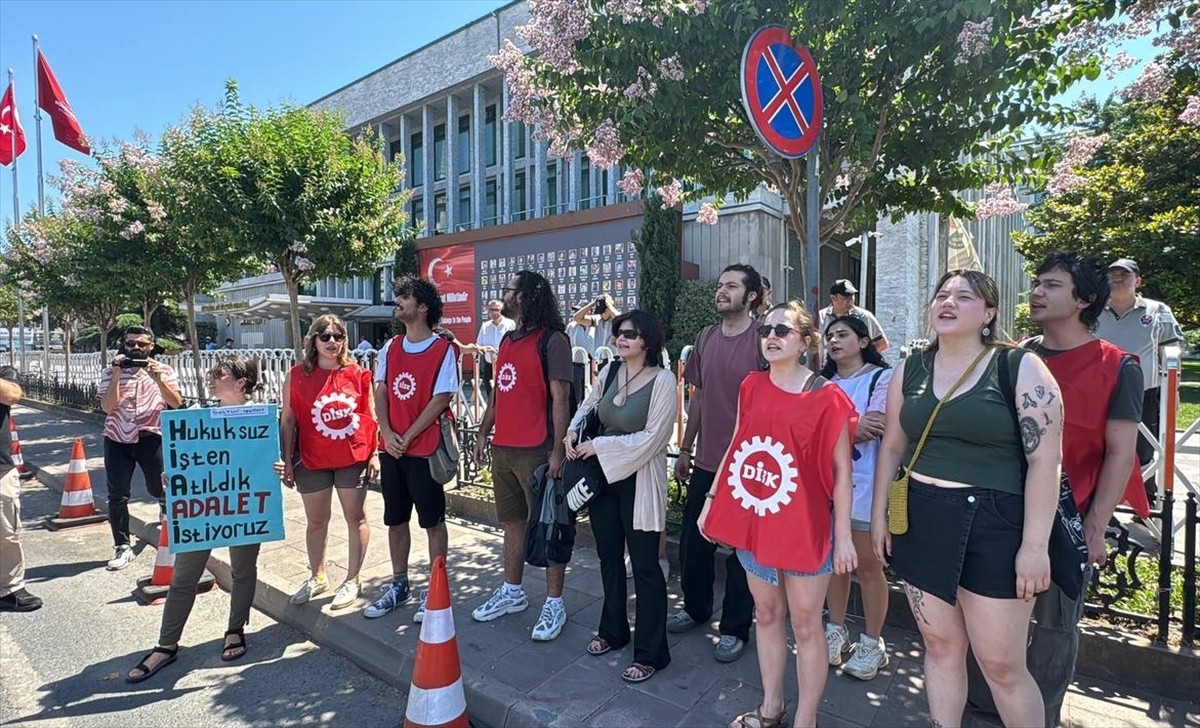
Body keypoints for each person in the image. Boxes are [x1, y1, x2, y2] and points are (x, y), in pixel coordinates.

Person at [872, 270, 1062, 728]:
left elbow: (1045, 461)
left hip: (996, 524)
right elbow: (893, 446)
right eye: (941, 295)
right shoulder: (910, 369)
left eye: (964, 296)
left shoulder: (1018, 366)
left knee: (1001, 665)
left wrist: (1035, 546)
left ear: (989, 312)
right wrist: (879, 515)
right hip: (922, 517)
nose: (948, 302)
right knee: (940, 646)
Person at [967, 252, 1148, 726]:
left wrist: (1096, 526)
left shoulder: (1118, 366)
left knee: (1053, 633)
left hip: (1067, 521)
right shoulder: (1013, 357)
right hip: (999, 516)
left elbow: (1121, 452)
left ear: (1084, 299)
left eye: (1051, 285)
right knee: (986, 630)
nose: (1036, 293)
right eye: (1037, 283)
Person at [698, 301, 858, 728]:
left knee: (806, 626)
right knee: (767, 615)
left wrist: (844, 536)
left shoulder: (828, 397)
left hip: (806, 529)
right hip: (757, 522)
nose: (770, 336)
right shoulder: (751, 385)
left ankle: (807, 719)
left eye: (782, 330)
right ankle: (771, 708)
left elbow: (843, 472)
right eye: (765, 330)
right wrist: (712, 498)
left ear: (805, 342)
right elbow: (736, 444)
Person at [126, 356, 282, 683]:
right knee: (184, 575)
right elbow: (187, 460)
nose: (210, 377)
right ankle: (166, 645)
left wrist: (278, 468)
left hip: (244, 507)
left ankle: (235, 630)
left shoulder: (261, 418)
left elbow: (273, 459)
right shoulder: (198, 418)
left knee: (243, 570)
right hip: (203, 510)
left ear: (241, 382)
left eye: (218, 373)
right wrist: (174, 474)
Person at [565, 310, 677, 683]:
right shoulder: (610, 371)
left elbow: (655, 438)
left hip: (639, 479)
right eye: (619, 333)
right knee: (609, 557)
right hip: (602, 478)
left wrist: (600, 446)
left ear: (648, 340)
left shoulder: (663, 380)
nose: (621, 339)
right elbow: (589, 406)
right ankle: (613, 631)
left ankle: (651, 652)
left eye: (630, 333)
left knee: (645, 566)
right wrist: (573, 433)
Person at [471, 270, 573, 641]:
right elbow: (499, 392)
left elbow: (561, 399)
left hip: (537, 450)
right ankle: (512, 592)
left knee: (547, 527)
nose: (504, 296)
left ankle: (554, 603)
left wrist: (558, 452)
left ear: (529, 296)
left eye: (510, 290)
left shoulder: (553, 340)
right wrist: (483, 433)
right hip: (505, 449)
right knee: (512, 523)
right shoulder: (507, 340)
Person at [671, 263, 765, 664]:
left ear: (752, 295)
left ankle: (735, 628)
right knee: (694, 542)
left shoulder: (764, 339)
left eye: (732, 285)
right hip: (708, 460)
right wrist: (685, 448)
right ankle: (696, 608)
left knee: (743, 551)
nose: (721, 290)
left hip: (749, 465)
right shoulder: (705, 337)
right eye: (720, 285)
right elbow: (699, 397)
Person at [366, 277, 459, 623]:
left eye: (404, 297)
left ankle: (436, 588)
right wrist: (387, 432)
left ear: (422, 307)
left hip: (425, 449)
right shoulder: (391, 347)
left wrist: (407, 435)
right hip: (392, 448)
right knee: (395, 519)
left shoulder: (442, 350)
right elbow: (380, 391)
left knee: (433, 521)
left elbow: (441, 398)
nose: (397, 302)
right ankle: (399, 583)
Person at [280, 315, 379, 611]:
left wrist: (375, 454)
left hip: (352, 457)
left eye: (338, 336)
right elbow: (288, 420)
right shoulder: (296, 375)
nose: (332, 341)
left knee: (355, 518)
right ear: (314, 339)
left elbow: (370, 416)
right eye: (325, 336)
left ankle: (352, 579)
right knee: (316, 521)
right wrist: (287, 460)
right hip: (311, 460)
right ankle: (317, 576)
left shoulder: (358, 374)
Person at [820, 314, 893, 680]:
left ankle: (872, 643)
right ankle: (835, 631)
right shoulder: (821, 384)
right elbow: (819, 431)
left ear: (864, 341)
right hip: (828, 488)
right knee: (835, 563)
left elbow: (873, 427)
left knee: (868, 566)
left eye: (842, 334)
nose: (833, 341)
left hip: (867, 487)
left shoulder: (882, 379)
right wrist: (851, 426)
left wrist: (837, 429)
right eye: (829, 336)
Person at [1094, 258, 1184, 505]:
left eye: (1124, 274)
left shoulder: (1158, 311)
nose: (1118, 278)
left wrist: (1174, 389)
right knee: (1099, 448)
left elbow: (1170, 351)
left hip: (1144, 392)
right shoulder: (1093, 309)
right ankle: (1102, 503)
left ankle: (1146, 502)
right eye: (1113, 274)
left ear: (1138, 280)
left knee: (1143, 448)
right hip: (1100, 392)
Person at [98, 326, 183, 571]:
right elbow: (107, 407)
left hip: (150, 437)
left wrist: (158, 379)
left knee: (159, 487)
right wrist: (116, 374)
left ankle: (165, 512)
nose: (135, 347)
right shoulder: (110, 371)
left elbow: (176, 403)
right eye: (130, 343)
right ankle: (122, 546)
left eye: (141, 344)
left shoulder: (164, 370)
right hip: (117, 439)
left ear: (151, 346)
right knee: (117, 494)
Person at [0, 364, 40, 612]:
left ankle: (9, 589)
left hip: (0, 470)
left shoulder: (5, 374)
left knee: (5, 534)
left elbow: (12, 395)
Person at [817, 280, 889, 355]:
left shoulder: (864, 317)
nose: (850, 300)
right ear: (833, 298)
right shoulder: (820, 317)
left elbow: (882, 344)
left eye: (852, 296)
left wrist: (862, 358)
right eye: (846, 297)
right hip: (827, 362)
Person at [464, 299, 515, 403]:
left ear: (502, 310)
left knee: (506, 394)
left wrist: (499, 350)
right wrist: (477, 348)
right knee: (490, 395)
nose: (494, 312)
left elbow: (515, 345)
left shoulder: (510, 324)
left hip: (506, 365)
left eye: (497, 309)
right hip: (489, 364)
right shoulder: (485, 326)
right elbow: (479, 344)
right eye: (491, 310)